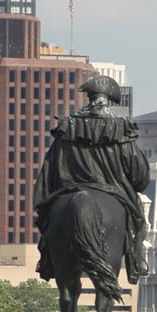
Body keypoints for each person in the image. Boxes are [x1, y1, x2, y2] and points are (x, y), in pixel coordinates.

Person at [34, 75, 149, 285]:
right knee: (138, 220)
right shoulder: (121, 130)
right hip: (112, 192)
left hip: (69, 190)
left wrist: (47, 202)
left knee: (50, 220)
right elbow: (139, 176)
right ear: (109, 100)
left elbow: (49, 169)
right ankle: (137, 260)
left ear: (89, 98)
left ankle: (47, 260)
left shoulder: (67, 127)